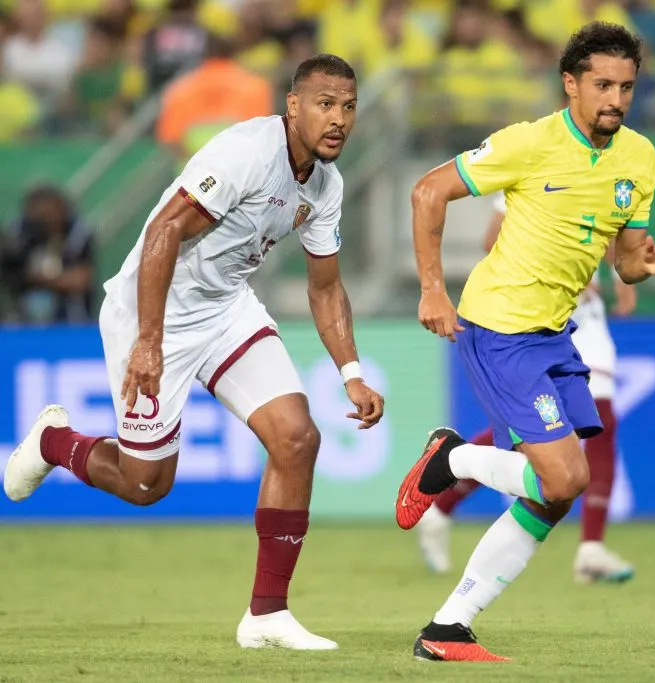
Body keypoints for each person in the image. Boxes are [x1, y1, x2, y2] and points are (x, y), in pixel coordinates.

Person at [3, 54, 385, 650]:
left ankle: (266, 614)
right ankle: (56, 443)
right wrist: (149, 343)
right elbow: (162, 232)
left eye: (349, 107)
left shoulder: (326, 186)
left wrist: (352, 373)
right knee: (146, 486)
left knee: (297, 437)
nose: (339, 119)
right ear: (293, 105)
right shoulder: (246, 154)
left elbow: (326, 286)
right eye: (325, 104)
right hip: (150, 312)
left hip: (226, 307)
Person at [397, 22, 655, 662]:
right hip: (499, 326)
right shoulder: (529, 143)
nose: (616, 99)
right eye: (602, 84)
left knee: (560, 489)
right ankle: (454, 462)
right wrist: (432, 290)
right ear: (570, 84)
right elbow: (427, 190)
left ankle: (448, 628)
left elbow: (626, 259)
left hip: (554, 333)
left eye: (627, 87)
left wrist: (644, 264)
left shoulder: (641, 157)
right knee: (559, 476)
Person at [416, 191, 638, 584]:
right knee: (526, 430)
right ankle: (443, 499)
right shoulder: (531, 162)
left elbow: (603, 228)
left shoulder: (602, 164)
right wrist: (555, 276)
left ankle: (591, 548)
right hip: (535, 319)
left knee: (602, 423)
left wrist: (622, 270)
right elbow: (492, 241)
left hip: (585, 319)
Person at [0, 185, 94, 324]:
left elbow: (81, 280)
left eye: (48, 215)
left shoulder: (78, 233)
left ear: (62, 209)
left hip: (69, 324)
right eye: (39, 217)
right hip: (23, 323)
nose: (45, 222)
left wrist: (37, 278)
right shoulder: (19, 232)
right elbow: (10, 273)